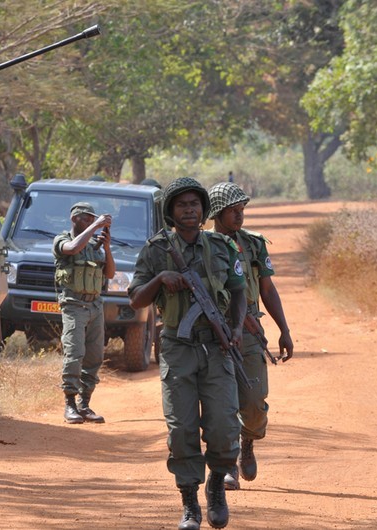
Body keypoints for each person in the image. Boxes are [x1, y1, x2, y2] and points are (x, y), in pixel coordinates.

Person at [128, 177, 246, 530]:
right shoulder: (155, 250)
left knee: (225, 427)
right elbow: (136, 299)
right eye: (182, 205)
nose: (190, 210)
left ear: (203, 209)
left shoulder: (221, 247)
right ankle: (190, 501)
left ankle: (217, 483)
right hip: (178, 349)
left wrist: (237, 328)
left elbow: (239, 292)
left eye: (195, 204)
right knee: (181, 430)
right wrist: (160, 278)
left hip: (217, 345)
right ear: (171, 212)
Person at [207, 182, 293, 490]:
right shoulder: (202, 244)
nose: (240, 216)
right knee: (221, 403)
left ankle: (248, 443)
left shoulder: (253, 244)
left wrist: (284, 329)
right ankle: (227, 463)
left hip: (250, 331)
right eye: (233, 211)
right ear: (217, 213)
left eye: (242, 210)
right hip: (213, 332)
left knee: (254, 401)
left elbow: (267, 289)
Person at [53, 202, 115, 424]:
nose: (90, 222)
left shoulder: (93, 246)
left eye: (92, 219)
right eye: (86, 219)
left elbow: (110, 273)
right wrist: (95, 226)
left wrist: (106, 247)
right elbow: (71, 249)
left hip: (95, 306)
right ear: (74, 219)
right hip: (73, 305)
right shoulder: (63, 240)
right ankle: (69, 404)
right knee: (74, 353)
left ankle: (84, 404)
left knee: (94, 356)